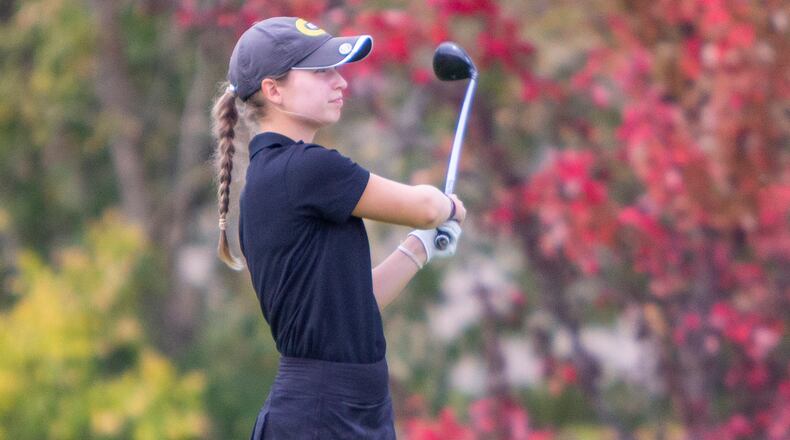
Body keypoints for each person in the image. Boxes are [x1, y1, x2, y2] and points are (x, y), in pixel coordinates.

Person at [210, 16, 467, 439]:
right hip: (322, 415)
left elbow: (352, 307)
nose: (340, 83)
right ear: (273, 90)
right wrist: (447, 207)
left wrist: (420, 247)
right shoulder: (308, 169)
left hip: (343, 410)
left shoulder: (273, 177)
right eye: (321, 72)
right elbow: (424, 207)